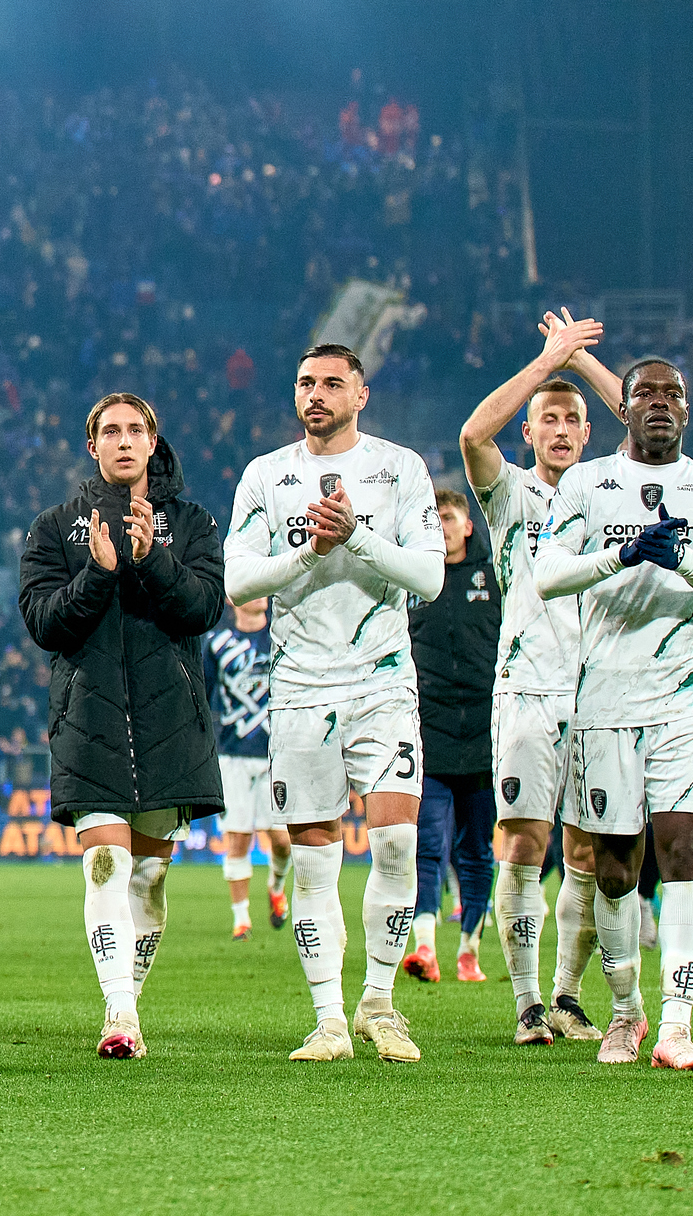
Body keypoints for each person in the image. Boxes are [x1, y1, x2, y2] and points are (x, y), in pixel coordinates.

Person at [224, 343, 444, 1064]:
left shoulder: (400, 468)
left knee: (394, 841)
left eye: (329, 383)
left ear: (362, 393)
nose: (314, 394)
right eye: (304, 383)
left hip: (382, 682)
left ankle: (380, 999)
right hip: (300, 688)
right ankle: (328, 1020)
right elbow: (239, 583)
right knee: (315, 863)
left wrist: (360, 536)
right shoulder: (267, 474)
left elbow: (431, 577)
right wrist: (313, 554)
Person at [535, 357, 693, 1071]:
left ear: (688, 410)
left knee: (684, 850)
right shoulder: (587, 483)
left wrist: (682, 563)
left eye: (674, 393)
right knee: (615, 870)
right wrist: (624, 553)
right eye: (646, 393)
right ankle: (625, 1011)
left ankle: (677, 1025)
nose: (660, 402)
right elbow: (546, 574)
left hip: (685, 697)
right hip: (605, 700)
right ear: (624, 407)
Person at [19, 392, 224, 1059]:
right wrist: (100, 574)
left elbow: (203, 609)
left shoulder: (190, 522)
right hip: (89, 719)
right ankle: (121, 1013)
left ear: (153, 438)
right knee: (106, 867)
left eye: (136, 428)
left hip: (170, 722)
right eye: (111, 430)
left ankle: (125, 1000)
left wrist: (151, 560)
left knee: (149, 880)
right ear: (92, 445)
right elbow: (45, 623)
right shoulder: (56, 526)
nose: (124, 439)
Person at [459, 311, 624, 1045]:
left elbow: (651, 421)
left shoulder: (610, 491)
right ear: (530, 433)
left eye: (572, 420)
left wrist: (580, 362)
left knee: (588, 853)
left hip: (604, 695)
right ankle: (526, 1003)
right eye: (546, 419)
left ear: (588, 434)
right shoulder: (512, 495)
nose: (559, 428)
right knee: (523, 844)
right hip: (527, 688)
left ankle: (567, 995)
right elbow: (471, 435)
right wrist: (542, 364)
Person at [401, 490, 501, 987]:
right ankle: (423, 945)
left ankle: (469, 949)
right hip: (430, 729)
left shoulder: (495, 577)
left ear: (466, 526)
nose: (441, 525)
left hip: (484, 730)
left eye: (448, 516)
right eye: (433, 518)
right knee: (427, 844)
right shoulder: (415, 582)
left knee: (477, 850)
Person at [207, 601, 289, 939]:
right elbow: (204, 692)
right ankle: (241, 919)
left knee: (283, 841)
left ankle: (277, 885)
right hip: (234, 754)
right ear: (231, 597)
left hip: (277, 754)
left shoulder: (282, 637)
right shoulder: (218, 644)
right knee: (238, 838)